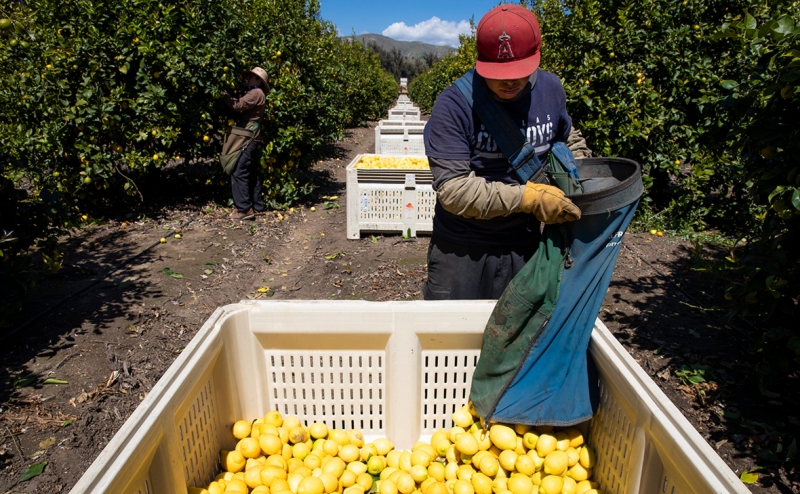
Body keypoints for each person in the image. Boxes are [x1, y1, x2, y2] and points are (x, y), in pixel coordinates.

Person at [422, 4, 591, 300]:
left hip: (525, 243)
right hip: (462, 248)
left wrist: (579, 180)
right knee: (453, 338)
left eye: (518, 72)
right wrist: (529, 198)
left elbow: (568, 138)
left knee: (517, 338)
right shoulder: (454, 105)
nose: (508, 81)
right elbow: (453, 189)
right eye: (498, 73)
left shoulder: (551, 89)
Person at [222, 67, 268, 220]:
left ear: (258, 80)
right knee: (251, 172)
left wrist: (223, 95)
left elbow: (238, 105)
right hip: (253, 138)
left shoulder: (256, 93)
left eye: (251, 76)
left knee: (238, 170)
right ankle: (257, 205)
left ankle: (244, 209)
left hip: (247, 138)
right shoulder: (255, 92)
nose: (247, 78)